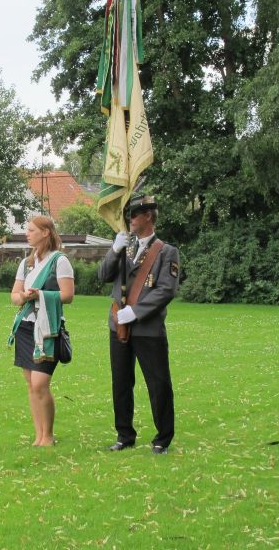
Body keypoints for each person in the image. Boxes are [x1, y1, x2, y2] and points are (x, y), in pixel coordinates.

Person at [98, 192, 180, 453]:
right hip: (119, 326)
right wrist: (114, 250)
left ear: (148, 216)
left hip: (147, 327)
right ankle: (124, 435)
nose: (129, 220)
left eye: (134, 215)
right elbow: (103, 275)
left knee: (158, 383)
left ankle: (162, 439)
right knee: (121, 383)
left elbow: (166, 289)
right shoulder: (125, 247)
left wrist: (135, 312)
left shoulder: (166, 251)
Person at [9, 216, 75, 447]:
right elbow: (14, 295)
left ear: (46, 232)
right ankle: (39, 436)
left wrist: (40, 295)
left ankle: (48, 435)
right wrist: (22, 297)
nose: (27, 234)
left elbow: (68, 295)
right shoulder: (26, 263)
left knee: (39, 384)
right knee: (31, 385)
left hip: (48, 328)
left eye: (31, 230)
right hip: (25, 327)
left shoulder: (60, 261)